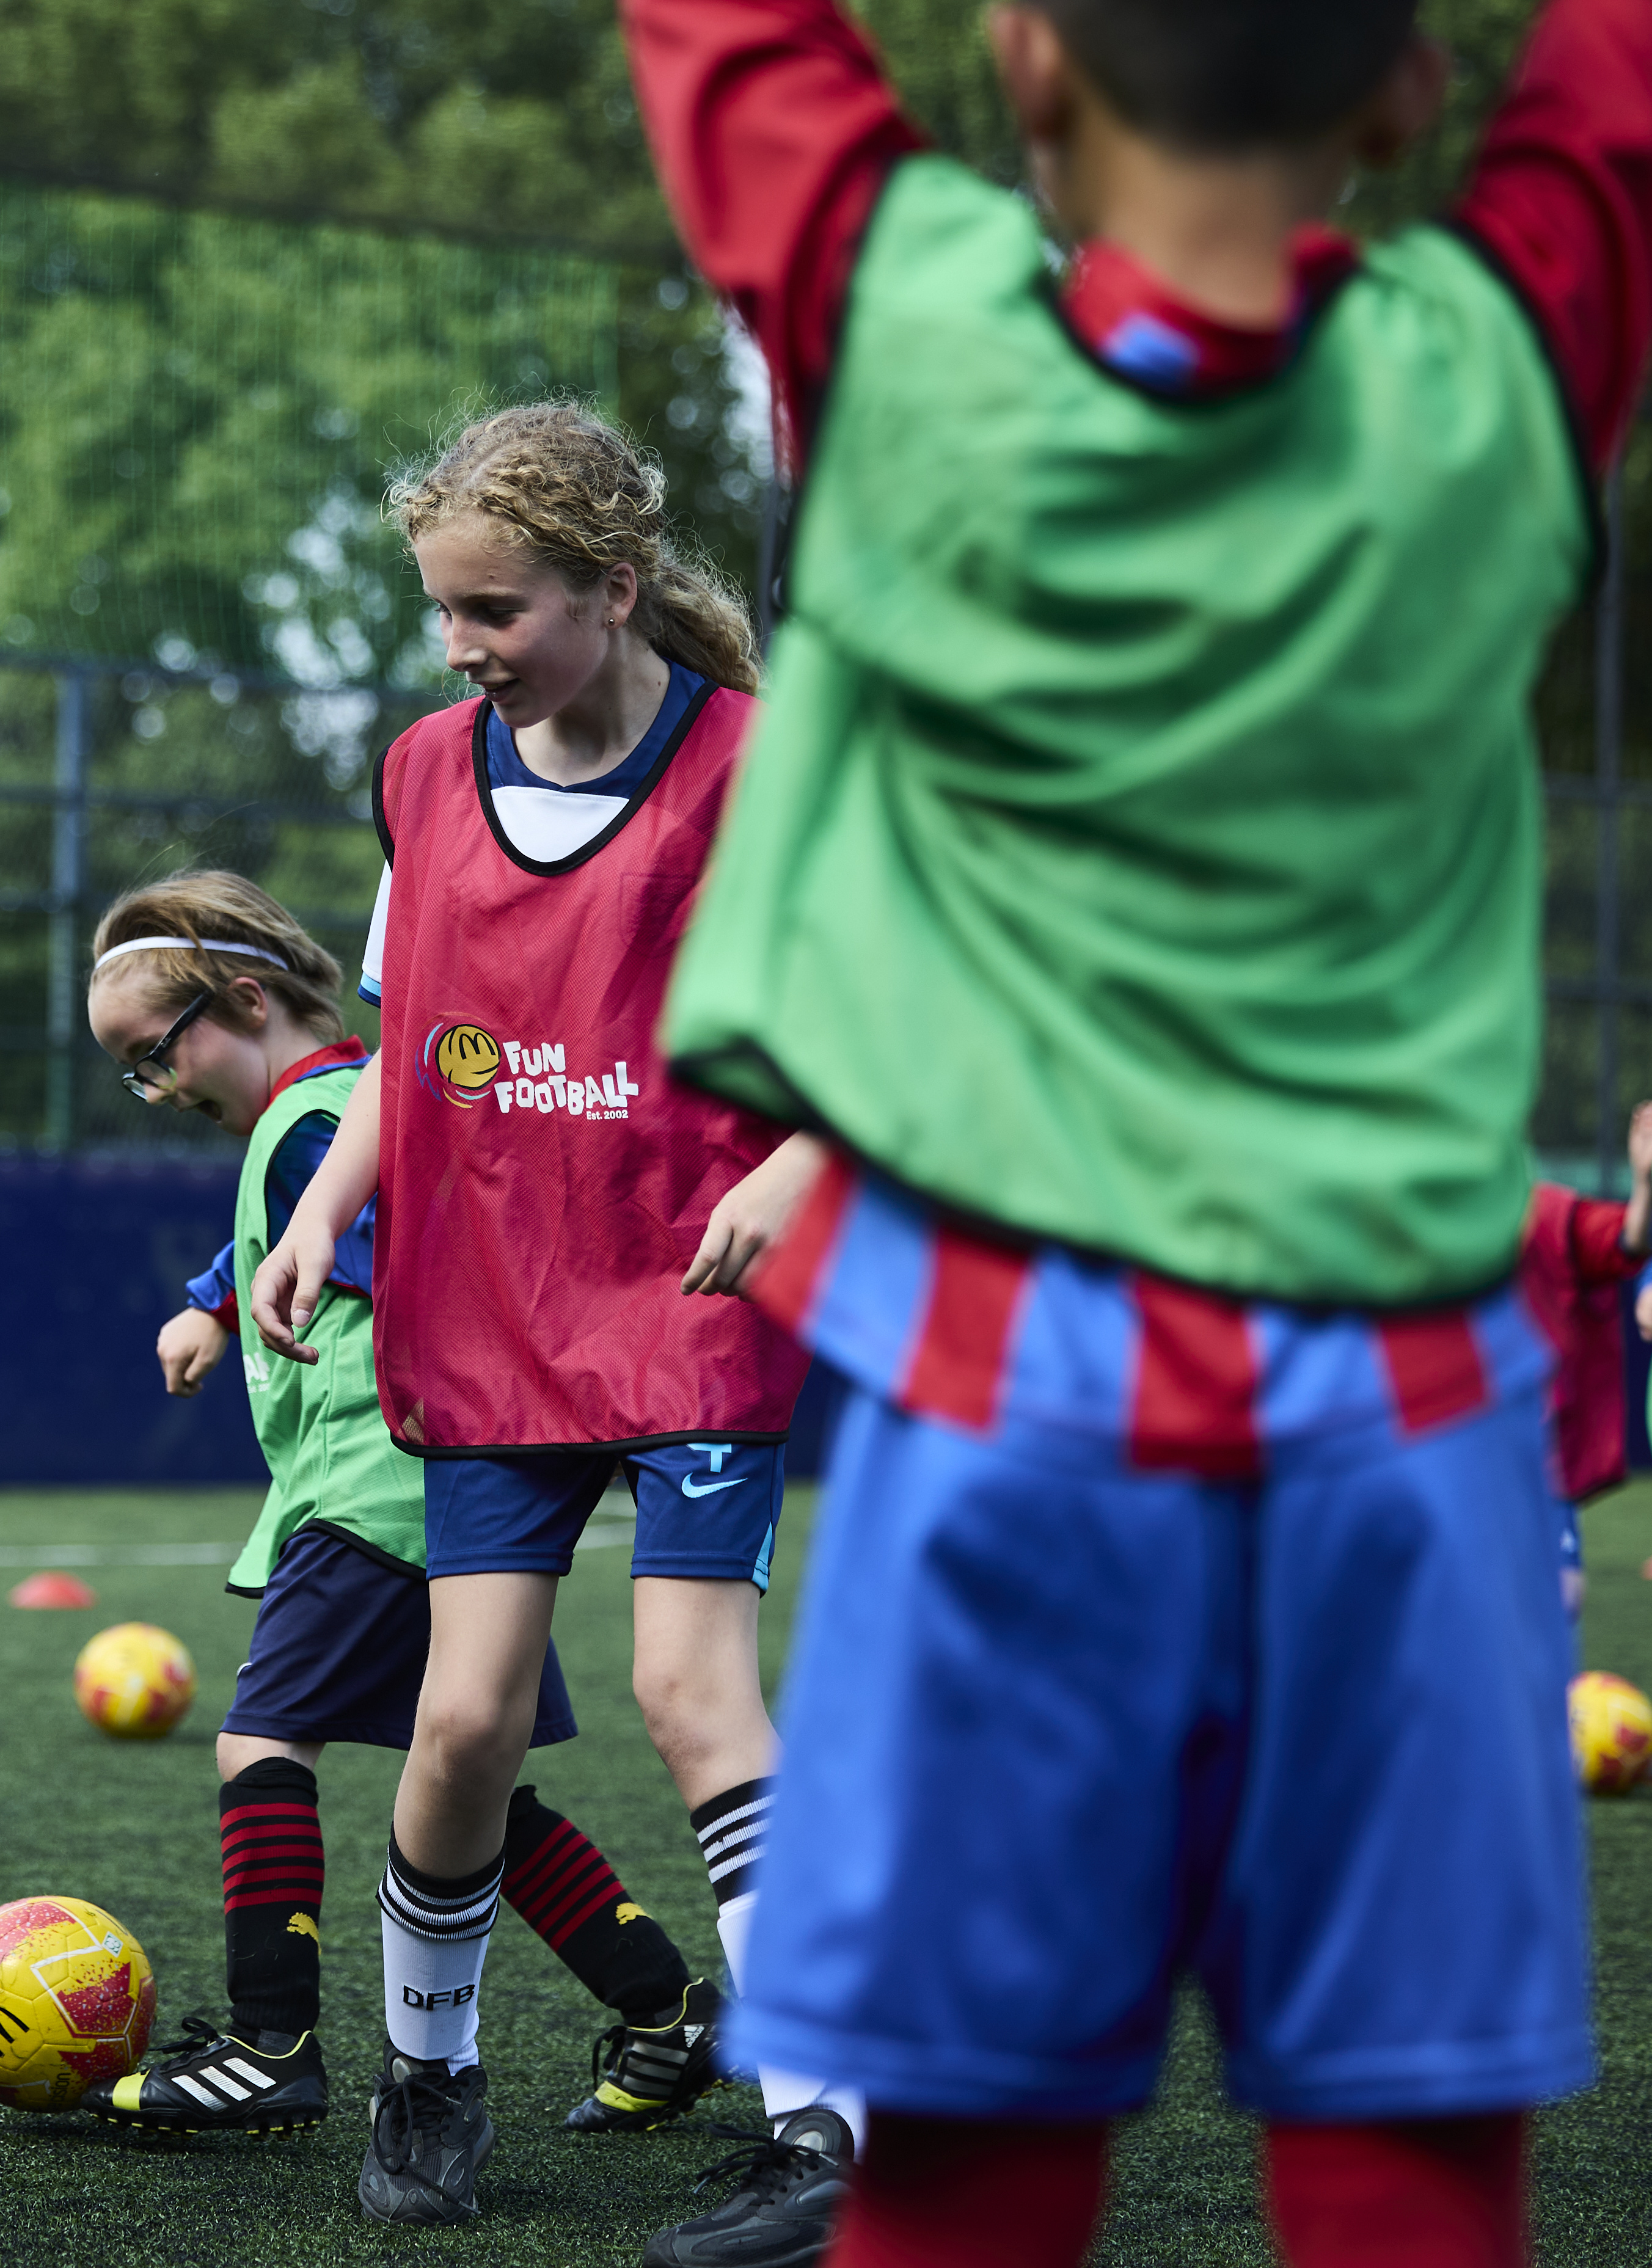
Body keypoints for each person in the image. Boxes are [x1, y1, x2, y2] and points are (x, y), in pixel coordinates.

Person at [623, 0, 1652, 2261]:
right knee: (1407, 2192)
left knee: (957, 2188)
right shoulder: (1488, 379)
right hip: (1405, 1443)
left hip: (1010, 1429)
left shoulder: (910, 336)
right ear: (1406, 87)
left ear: (1021, 62)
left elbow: (725, 38)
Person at [249, 401, 835, 2233]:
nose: (457, 645)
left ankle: (824, 2124)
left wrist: (794, 1165)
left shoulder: (760, 769)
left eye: (492, 608)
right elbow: (400, 1047)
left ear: (613, 587)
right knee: (457, 1729)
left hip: (687, 1298)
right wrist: (318, 1213)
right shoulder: (423, 774)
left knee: (687, 1691)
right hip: (487, 1306)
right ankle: (426, 2075)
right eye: (440, 608)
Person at [82, 871, 719, 2142]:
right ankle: (670, 2009)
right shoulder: (329, 1115)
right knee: (472, 1792)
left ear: (244, 1000)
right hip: (449, 1507)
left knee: (260, 1744)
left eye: (155, 1054)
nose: (158, 1086)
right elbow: (322, 1228)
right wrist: (215, 1300)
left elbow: (418, 1246)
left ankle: (269, 2045)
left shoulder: (316, 1121)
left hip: (377, 1492)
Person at [1519, 1103, 1652, 1618]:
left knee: (1563, 1594)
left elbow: (1627, 1241)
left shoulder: (1548, 1214)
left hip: (1535, 1448)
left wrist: (1644, 1183)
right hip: (1442, 1438)